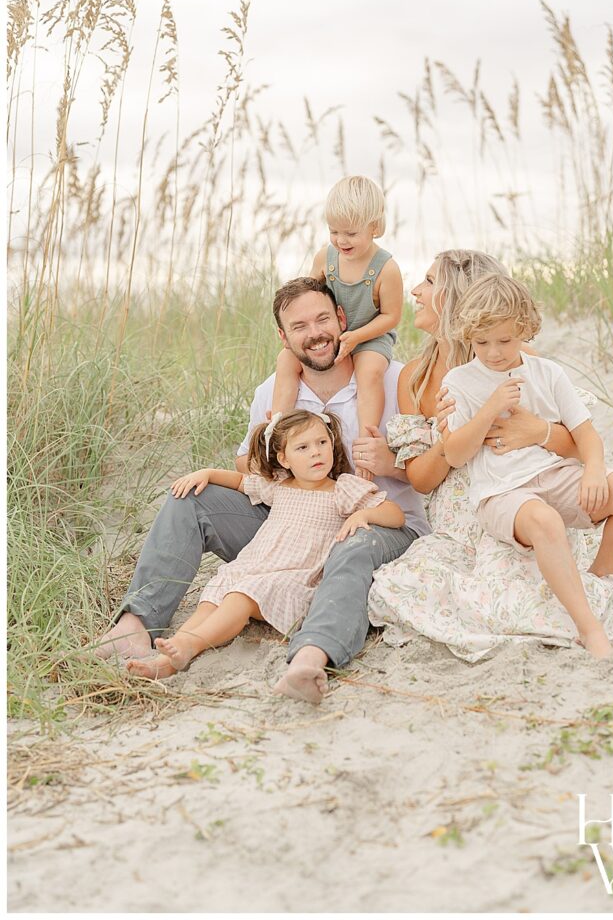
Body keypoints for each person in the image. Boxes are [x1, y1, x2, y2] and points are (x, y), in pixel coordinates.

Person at [95, 276, 429, 705]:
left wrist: (390, 464)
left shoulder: (390, 378)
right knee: (191, 497)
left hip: (378, 527)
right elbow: (247, 467)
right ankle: (137, 624)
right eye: (300, 326)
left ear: (341, 319)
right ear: (283, 337)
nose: (315, 334)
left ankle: (312, 656)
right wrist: (269, 457)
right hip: (292, 531)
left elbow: (435, 472)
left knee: (352, 543)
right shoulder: (274, 390)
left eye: (323, 319)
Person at [368, 251, 613, 659]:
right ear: (470, 327)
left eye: (429, 282)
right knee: (516, 572)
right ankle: (591, 616)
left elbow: (578, 437)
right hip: (484, 499)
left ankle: (602, 587)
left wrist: (539, 431)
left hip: (543, 478)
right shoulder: (424, 377)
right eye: (484, 342)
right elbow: (426, 477)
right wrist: (456, 431)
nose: (416, 291)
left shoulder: (534, 366)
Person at [442, 273, 613, 659]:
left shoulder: (548, 373)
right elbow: (455, 455)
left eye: (505, 340)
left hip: (554, 476)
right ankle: (589, 628)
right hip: (502, 492)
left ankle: (601, 578)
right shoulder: (459, 381)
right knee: (545, 520)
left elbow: (586, 435)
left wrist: (594, 469)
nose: (493, 353)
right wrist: (490, 408)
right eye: (482, 342)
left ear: (525, 329)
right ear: (468, 336)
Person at [126, 410, 404, 680]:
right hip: (256, 566)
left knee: (240, 597)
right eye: (303, 447)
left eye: (322, 442)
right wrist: (208, 473)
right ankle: (167, 661)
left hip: (293, 577)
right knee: (213, 597)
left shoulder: (342, 488)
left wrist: (363, 515)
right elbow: (240, 481)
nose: (316, 453)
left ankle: (191, 645)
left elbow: (395, 514)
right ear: (284, 459)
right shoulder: (279, 485)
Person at [271, 176, 403, 481]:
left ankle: (366, 444)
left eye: (351, 233)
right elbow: (308, 294)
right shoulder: (326, 257)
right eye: (334, 232)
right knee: (286, 360)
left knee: (369, 373)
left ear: (374, 227)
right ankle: (279, 427)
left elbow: (391, 316)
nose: (341, 240)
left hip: (370, 335)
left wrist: (356, 337)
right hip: (330, 333)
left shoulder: (386, 268)